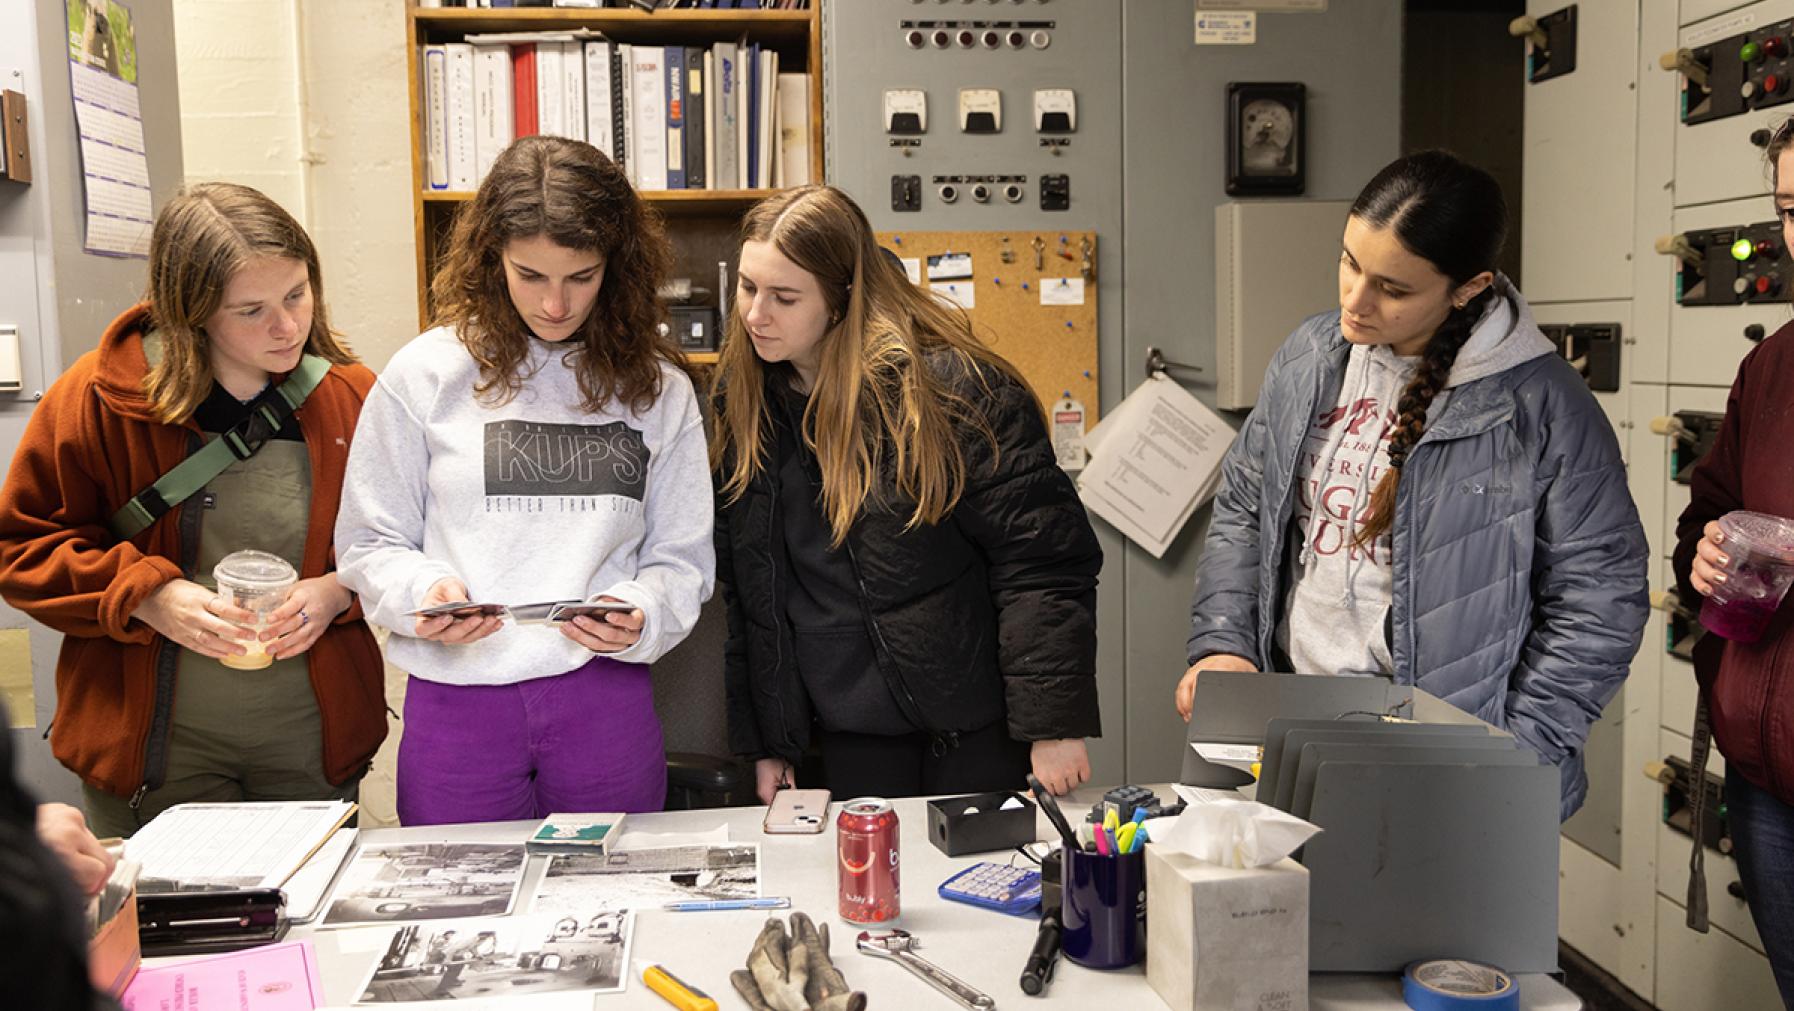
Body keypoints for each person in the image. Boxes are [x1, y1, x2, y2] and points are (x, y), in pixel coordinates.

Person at [1178, 151, 1648, 821]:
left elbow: (1603, 601)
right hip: (1288, 728)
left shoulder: (1542, 406)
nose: (1354, 301)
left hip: (1451, 765)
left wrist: (1515, 753)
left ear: (1468, 286)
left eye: (1393, 289)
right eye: (1349, 262)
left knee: (1420, 931)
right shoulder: (1310, 356)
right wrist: (1223, 644)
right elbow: (1244, 510)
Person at [336, 135, 713, 826]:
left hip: (603, 693)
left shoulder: (657, 390)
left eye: (582, 275)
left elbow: (682, 557)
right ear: (490, 259)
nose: (556, 303)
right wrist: (422, 592)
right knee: (457, 910)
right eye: (530, 274)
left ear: (618, 267)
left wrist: (641, 609)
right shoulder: (424, 375)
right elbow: (368, 541)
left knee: (617, 894)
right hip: (458, 700)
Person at [0, 183, 387, 838]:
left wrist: (337, 591)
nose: (286, 325)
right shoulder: (96, 399)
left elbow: (406, 545)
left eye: (296, 293)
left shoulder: (351, 397)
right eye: (250, 310)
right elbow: (21, 547)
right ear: (191, 311)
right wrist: (145, 594)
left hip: (310, 743)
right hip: (152, 752)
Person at [711, 184, 1102, 803]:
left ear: (841, 301)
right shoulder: (744, 405)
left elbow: (1042, 566)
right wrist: (769, 741)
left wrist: (1055, 723)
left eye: (785, 297)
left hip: (972, 727)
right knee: (863, 897)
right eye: (748, 288)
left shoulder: (958, 395)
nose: (756, 314)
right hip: (842, 735)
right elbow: (752, 595)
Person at [1672, 115, 1794, 1008]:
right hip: (1767, 781)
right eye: (1792, 207)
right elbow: (1708, 509)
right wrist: (1705, 554)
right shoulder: (1774, 366)